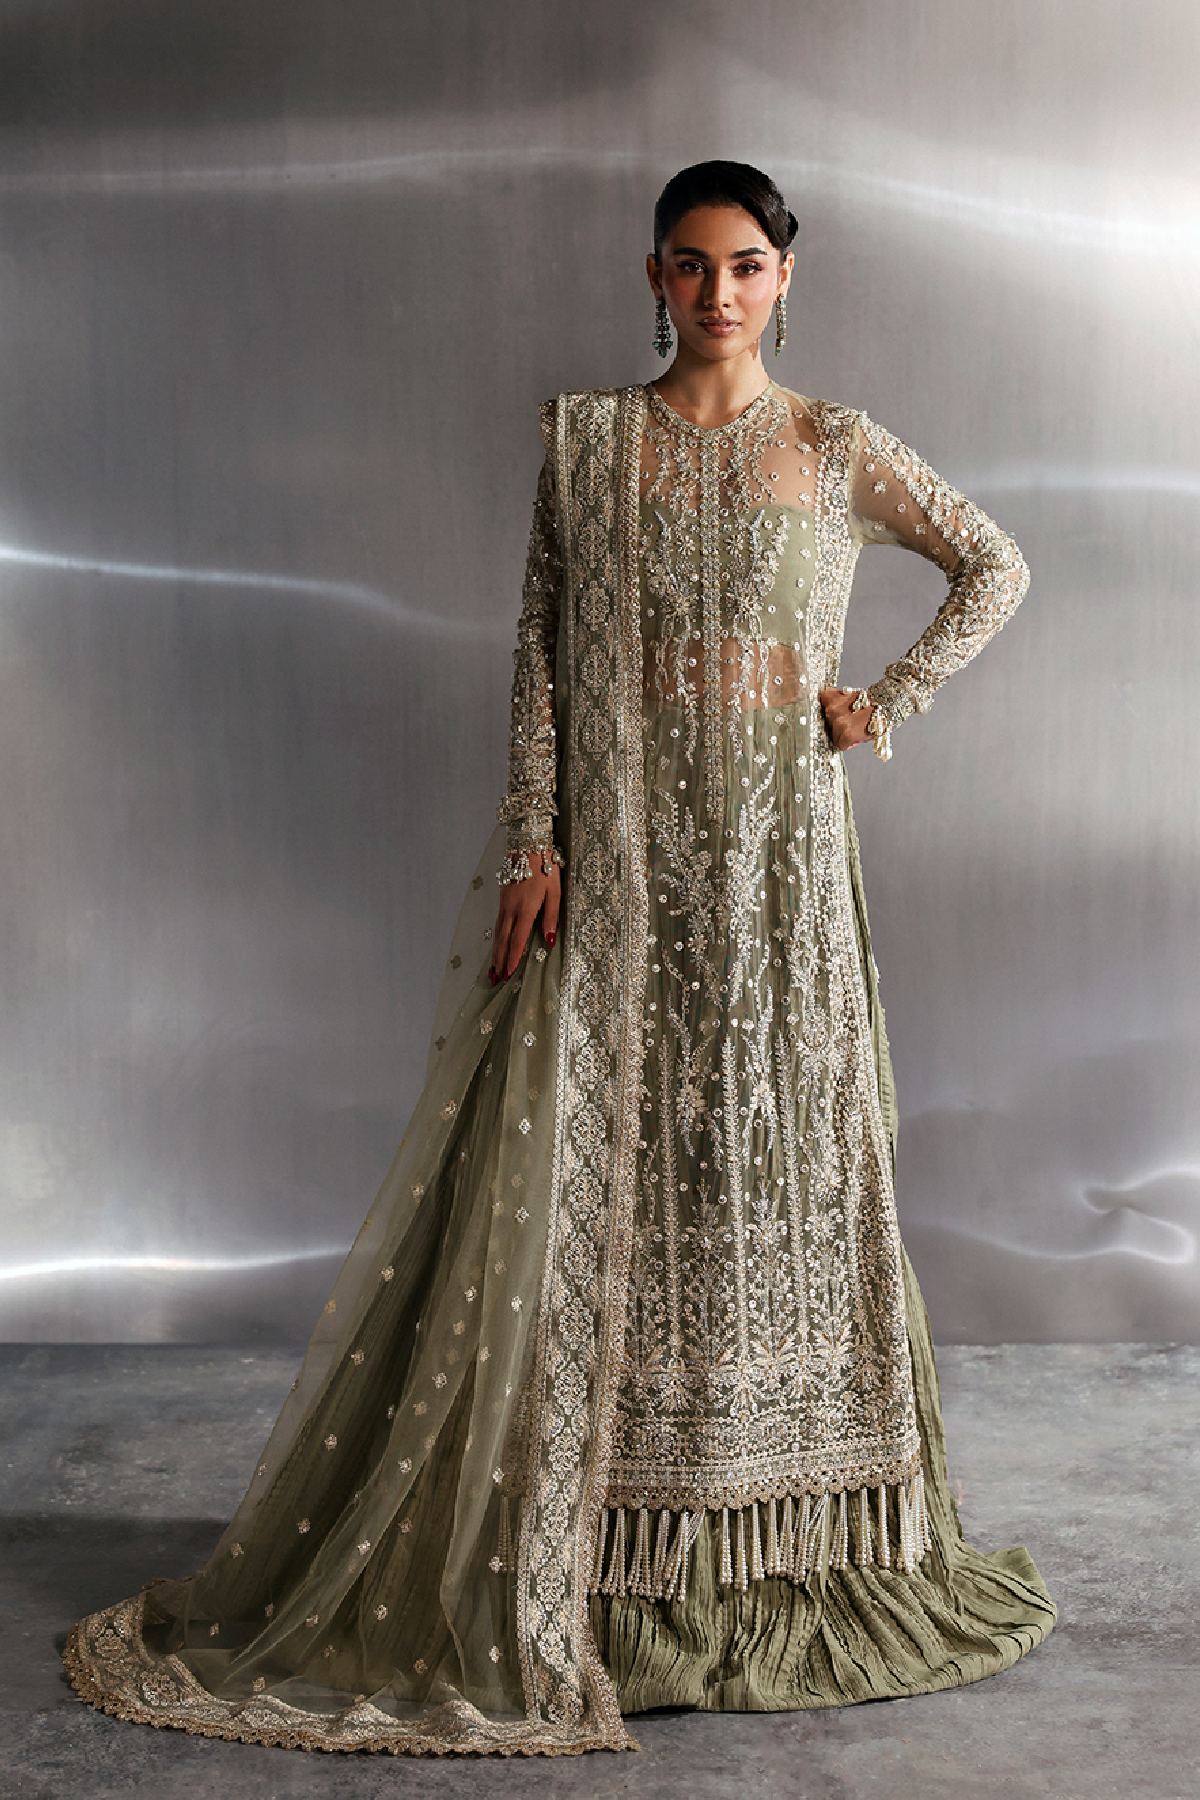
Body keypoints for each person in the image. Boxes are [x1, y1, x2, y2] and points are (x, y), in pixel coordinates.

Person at [65, 160, 1054, 1756]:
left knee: (777, 1169)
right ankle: (600, 1556)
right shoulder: (591, 445)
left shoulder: (835, 446)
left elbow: (995, 563)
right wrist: (537, 840)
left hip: (783, 880)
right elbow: (541, 652)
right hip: (625, 870)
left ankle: (789, 1543)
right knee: (618, 1175)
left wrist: (884, 700)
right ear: (652, 277)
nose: (718, 292)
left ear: (786, 276)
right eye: (689, 265)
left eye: (745, 264)